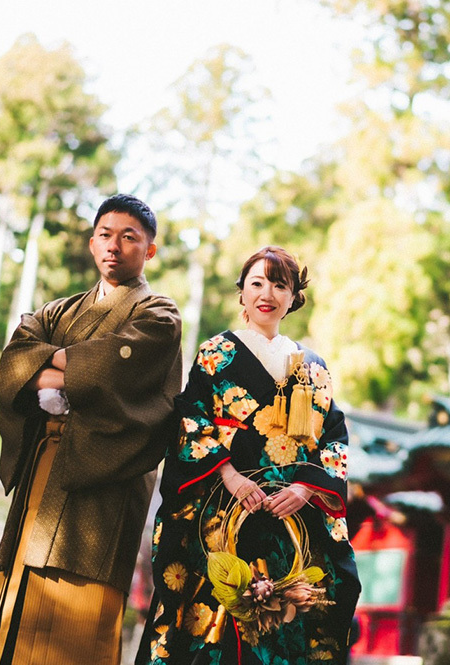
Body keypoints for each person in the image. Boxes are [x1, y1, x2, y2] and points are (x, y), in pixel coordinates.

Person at [0, 193, 183, 665]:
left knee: (78, 617)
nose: (115, 246)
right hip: (42, 470)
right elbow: (12, 364)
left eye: (129, 237)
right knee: (18, 601)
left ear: (149, 250)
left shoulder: (159, 314)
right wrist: (77, 372)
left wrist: (44, 368)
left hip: (101, 481)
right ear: (92, 244)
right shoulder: (58, 311)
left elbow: (116, 374)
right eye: (106, 235)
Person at [137, 246, 360, 665]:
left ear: (294, 297)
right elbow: (192, 420)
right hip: (221, 515)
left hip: (290, 523)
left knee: (290, 623)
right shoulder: (216, 353)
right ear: (242, 294)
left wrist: (305, 488)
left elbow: (333, 438)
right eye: (257, 283)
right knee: (213, 626)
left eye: (281, 285)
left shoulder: (314, 368)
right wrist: (231, 476)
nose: (268, 293)